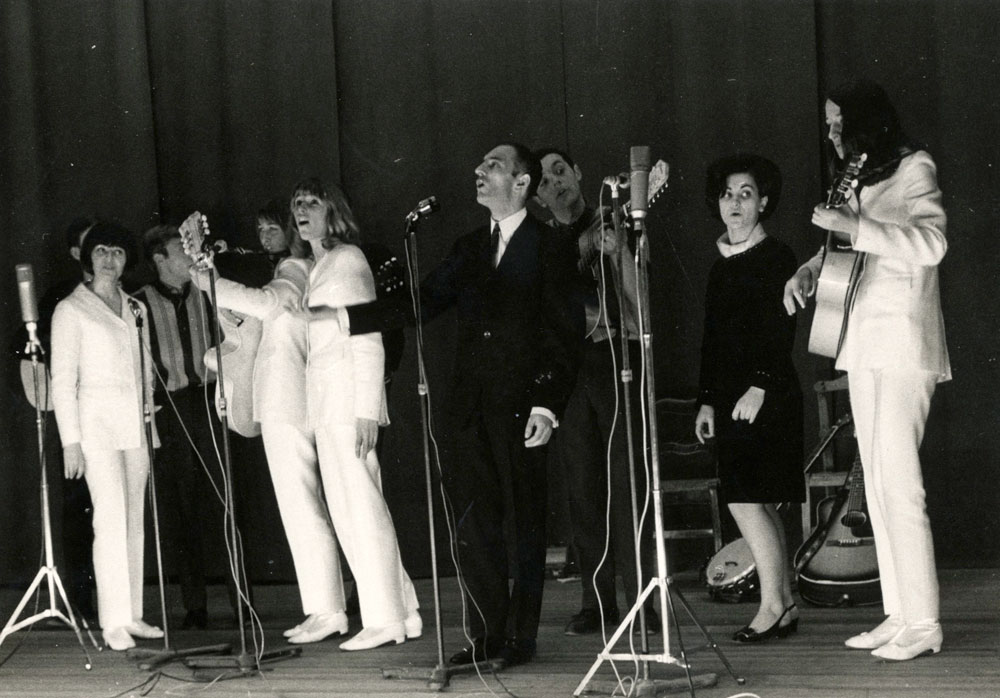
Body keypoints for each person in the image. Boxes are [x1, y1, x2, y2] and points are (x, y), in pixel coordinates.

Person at [321, 144, 580, 667]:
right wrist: (346, 318)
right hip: (469, 410)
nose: (479, 171)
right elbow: (422, 303)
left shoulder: (550, 246)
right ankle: (486, 636)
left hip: (523, 409)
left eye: (493, 166)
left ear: (522, 183)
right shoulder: (469, 247)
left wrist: (546, 405)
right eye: (480, 164)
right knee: (476, 525)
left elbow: (564, 332)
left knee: (524, 524)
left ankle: (520, 639)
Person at [784, 79, 949, 661]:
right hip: (862, 343)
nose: (831, 132)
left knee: (901, 484)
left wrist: (858, 227)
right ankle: (899, 613)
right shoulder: (859, 179)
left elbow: (932, 242)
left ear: (865, 121)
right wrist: (808, 270)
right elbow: (845, 250)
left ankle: (924, 623)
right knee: (876, 485)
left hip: (903, 341)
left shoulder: (914, 167)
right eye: (828, 123)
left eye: (839, 122)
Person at [289, 178, 420, 651]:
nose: (303, 209)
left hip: (347, 403)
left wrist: (368, 410)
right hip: (329, 402)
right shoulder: (322, 264)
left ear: (334, 212)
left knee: (360, 508)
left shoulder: (348, 259)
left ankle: (385, 619)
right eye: (297, 203)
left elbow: (368, 335)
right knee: (353, 508)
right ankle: (404, 611)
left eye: (313, 202)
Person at [532, 147, 657, 637]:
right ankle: (596, 603)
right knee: (582, 489)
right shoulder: (540, 242)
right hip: (568, 368)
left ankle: (644, 597)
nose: (555, 182)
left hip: (615, 357)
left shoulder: (611, 221)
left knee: (629, 483)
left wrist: (619, 252)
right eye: (544, 180)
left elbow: (643, 308)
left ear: (578, 172)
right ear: (535, 196)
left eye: (560, 170)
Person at [695, 153, 803, 643]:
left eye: (746, 193)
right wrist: (706, 401)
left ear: (763, 201)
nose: (735, 202)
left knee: (746, 502)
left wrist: (759, 386)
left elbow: (780, 329)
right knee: (754, 501)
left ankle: (772, 605)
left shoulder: (777, 256)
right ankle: (785, 604)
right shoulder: (721, 268)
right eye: (727, 194)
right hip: (731, 400)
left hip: (766, 394)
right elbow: (712, 342)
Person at [50, 221, 163, 651]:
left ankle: (132, 614)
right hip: (95, 427)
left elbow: (144, 370)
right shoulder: (71, 309)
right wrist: (71, 442)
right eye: (101, 251)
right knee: (110, 519)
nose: (109, 260)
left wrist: (150, 422)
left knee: (134, 520)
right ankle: (113, 620)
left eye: (117, 252)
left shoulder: (135, 307)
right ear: (88, 257)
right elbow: (63, 382)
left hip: (135, 425)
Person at [9, 218, 98, 622]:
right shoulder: (62, 297)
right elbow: (25, 347)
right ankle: (80, 601)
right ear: (77, 253)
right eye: (92, 245)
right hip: (76, 414)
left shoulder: (125, 293)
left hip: (114, 412)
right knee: (79, 508)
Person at [133, 224, 217, 630]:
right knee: (182, 507)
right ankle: (195, 606)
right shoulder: (138, 303)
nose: (189, 255)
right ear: (159, 259)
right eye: (180, 250)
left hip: (210, 402)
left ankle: (244, 604)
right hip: (170, 409)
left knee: (227, 498)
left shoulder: (207, 291)